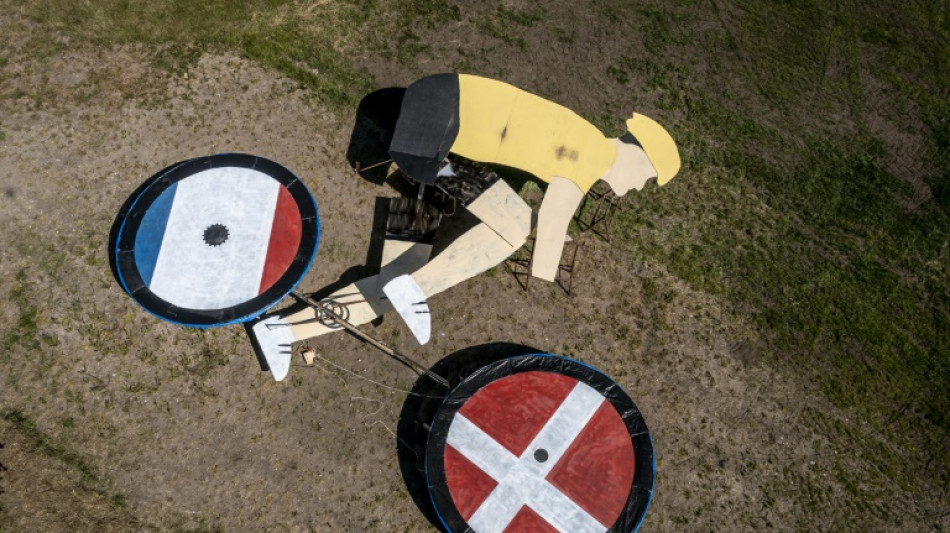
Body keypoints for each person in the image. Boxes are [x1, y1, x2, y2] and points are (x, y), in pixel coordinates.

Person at [251, 73, 681, 380]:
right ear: (637, 156)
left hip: (432, 136)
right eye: (644, 179)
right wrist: (545, 270)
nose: (633, 190)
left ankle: (280, 330)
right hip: (428, 138)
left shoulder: (581, 137)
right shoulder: (593, 156)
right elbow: (552, 224)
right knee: (504, 230)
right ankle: (410, 289)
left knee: (389, 284)